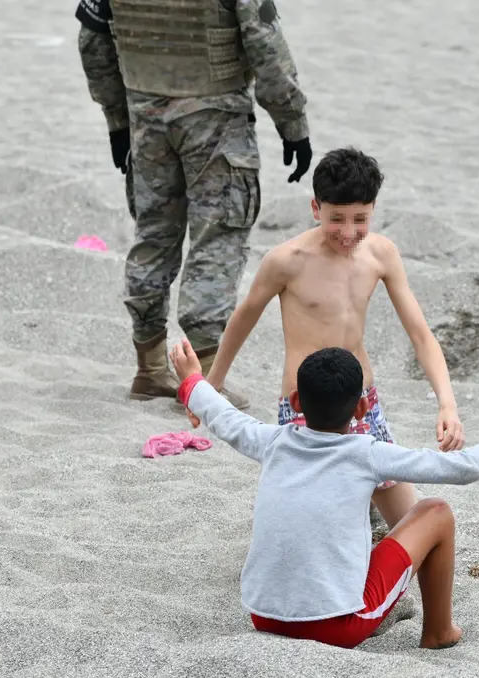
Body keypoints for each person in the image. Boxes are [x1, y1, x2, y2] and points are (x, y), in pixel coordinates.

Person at [169, 340, 479, 650]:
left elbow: (222, 415)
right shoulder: (367, 452)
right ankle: (439, 632)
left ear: (296, 403)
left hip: (264, 615)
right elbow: (463, 467)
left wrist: (192, 381)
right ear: (362, 408)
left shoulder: (272, 440)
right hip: (338, 625)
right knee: (436, 512)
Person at [188, 147, 465, 532]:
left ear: (373, 209)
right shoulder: (287, 260)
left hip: (362, 404)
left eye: (360, 219)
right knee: (312, 526)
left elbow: (420, 335)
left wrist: (446, 404)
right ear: (316, 208)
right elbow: (243, 319)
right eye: (337, 219)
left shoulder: (381, 254)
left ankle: (367, 503)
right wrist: (210, 387)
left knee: (408, 523)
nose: (349, 233)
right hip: (307, 409)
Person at [75, 0, 313, 407]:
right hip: (215, 117)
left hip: (146, 116)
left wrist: (117, 120)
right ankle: (203, 381)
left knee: (153, 234)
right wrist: (292, 124)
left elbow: (92, 43)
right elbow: (265, 44)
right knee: (217, 237)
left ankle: (150, 370)